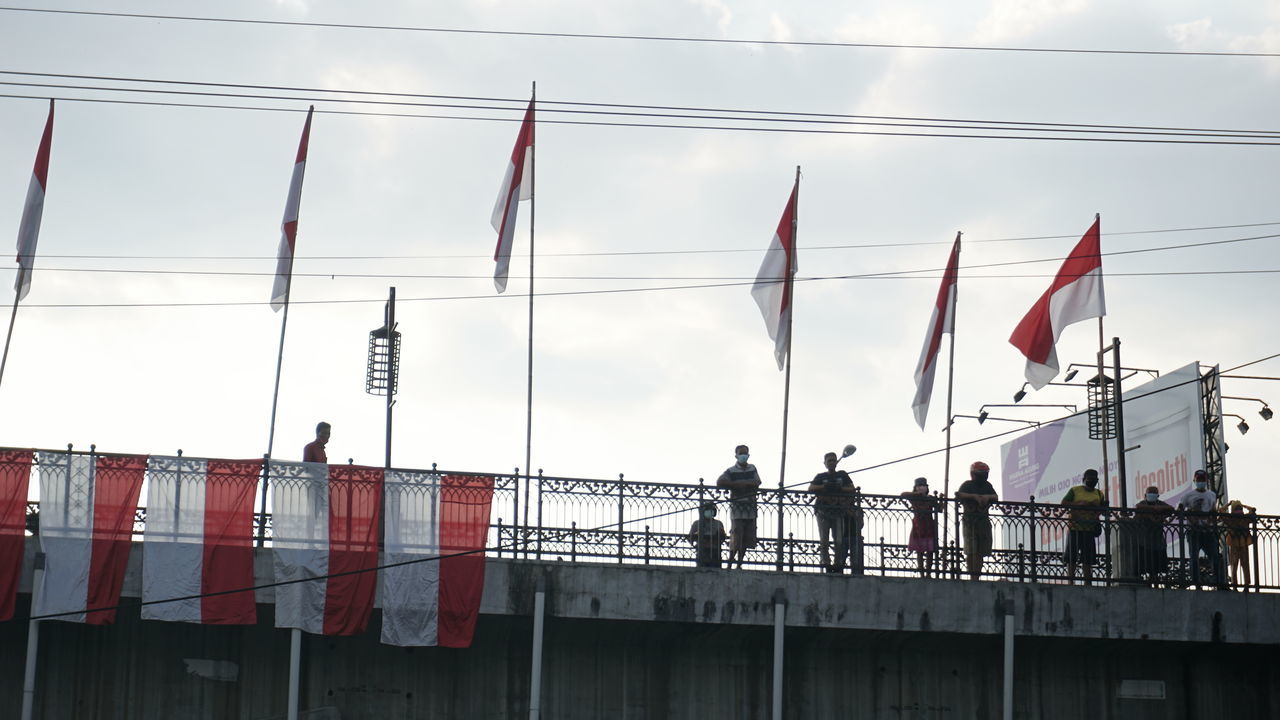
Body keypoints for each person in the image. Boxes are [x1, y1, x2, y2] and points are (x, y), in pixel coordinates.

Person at [808, 452, 855, 574]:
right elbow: (811, 488)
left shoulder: (842, 475)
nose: (832, 462)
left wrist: (840, 488)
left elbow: (852, 489)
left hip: (838, 512)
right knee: (824, 540)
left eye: (834, 460)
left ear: (836, 462)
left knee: (838, 540)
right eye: (829, 461)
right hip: (823, 511)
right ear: (825, 463)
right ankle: (826, 563)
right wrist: (824, 486)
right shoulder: (820, 476)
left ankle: (838, 564)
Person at [1178, 470, 1224, 590]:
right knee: (1194, 556)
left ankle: (1219, 582)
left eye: (1203, 480)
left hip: (1208, 531)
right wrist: (1190, 517)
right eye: (1199, 480)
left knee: (1214, 556)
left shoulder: (1211, 495)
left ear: (1206, 481)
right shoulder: (1188, 496)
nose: (1201, 482)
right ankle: (1196, 582)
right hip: (1194, 531)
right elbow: (1180, 509)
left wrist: (1212, 524)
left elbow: (1213, 511)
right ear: (1195, 481)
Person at [717, 445, 761, 570]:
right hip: (737, 508)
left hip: (750, 507)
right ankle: (731, 561)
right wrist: (736, 485)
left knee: (748, 536)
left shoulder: (752, 468)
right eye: (741, 453)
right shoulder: (731, 471)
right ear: (736, 455)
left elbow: (757, 482)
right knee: (737, 535)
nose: (744, 456)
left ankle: (739, 562)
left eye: (745, 453)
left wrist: (745, 483)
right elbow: (720, 482)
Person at [1060, 469, 1106, 585]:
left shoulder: (1099, 493)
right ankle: (1070, 581)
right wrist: (1079, 504)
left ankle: (1088, 582)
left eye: (1094, 480)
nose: (1092, 482)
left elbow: (1103, 510)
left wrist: (1097, 507)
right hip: (1075, 527)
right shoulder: (1075, 490)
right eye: (1089, 480)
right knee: (1072, 557)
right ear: (1084, 479)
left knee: (1088, 558)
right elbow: (1064, 503)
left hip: (1089, 529)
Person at [955, 461, 999, 580]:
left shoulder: (987, 486)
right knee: (971, 549)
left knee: (981, 550)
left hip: (983, 521)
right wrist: (974, 496)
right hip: (970, 521)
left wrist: (987, 497)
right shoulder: (967, 485)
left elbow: (996, 497)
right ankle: (972, 575)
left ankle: (977, 575)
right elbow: (959, 495)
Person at [1133, 485, 1174, 585]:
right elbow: (1138, 507)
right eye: (1150, 492)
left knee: (1156, 568)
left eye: (1154, 493)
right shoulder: (1143, 503)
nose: (1152, 495)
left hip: (1158, 541)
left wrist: (1156, 509)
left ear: (1158, 495)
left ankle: (1155, 583)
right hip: (1144, 541)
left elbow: (1171, 509)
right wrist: (1154, 510)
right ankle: (1142, 583)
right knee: (1142, 566)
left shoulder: (1160, 503)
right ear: (1145, 495)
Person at [901, 477, 938, 578]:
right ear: (916, 488)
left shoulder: (930, 498)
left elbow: (939, 509)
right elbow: (903, 494)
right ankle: (922, 573)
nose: (922, 488)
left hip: (929, 525)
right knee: (920, 551)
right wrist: (917, 494)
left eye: (924, 486)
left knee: (930, 551)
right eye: (920, 486)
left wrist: (940, 500)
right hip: (918, 526)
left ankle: (928, 573)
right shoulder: (914, 497)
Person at [1223, 499, 1258, 590]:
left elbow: (1253, 510)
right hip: (1237, 544)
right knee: (1237, 565)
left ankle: (1243, 585)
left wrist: (1229, 505)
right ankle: (1240, 585)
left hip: (1241, 544)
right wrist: (1243, 505)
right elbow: (1253, 510)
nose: (1238, 510)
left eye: (1239, 508)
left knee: (1241, 565)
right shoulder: (1236, 519)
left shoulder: (1235, 518)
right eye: (1237, 508)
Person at [687, 501, 727, 569]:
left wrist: (721, 534)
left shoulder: (718, 523)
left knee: (716, 572)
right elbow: (690, 537)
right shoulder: (697, 523)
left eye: (711, 510)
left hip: (715, 551)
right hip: (702, 551)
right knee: (701, 571)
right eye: (708, 510)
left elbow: (723, 538)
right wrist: (697, 535)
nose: (710, 512)